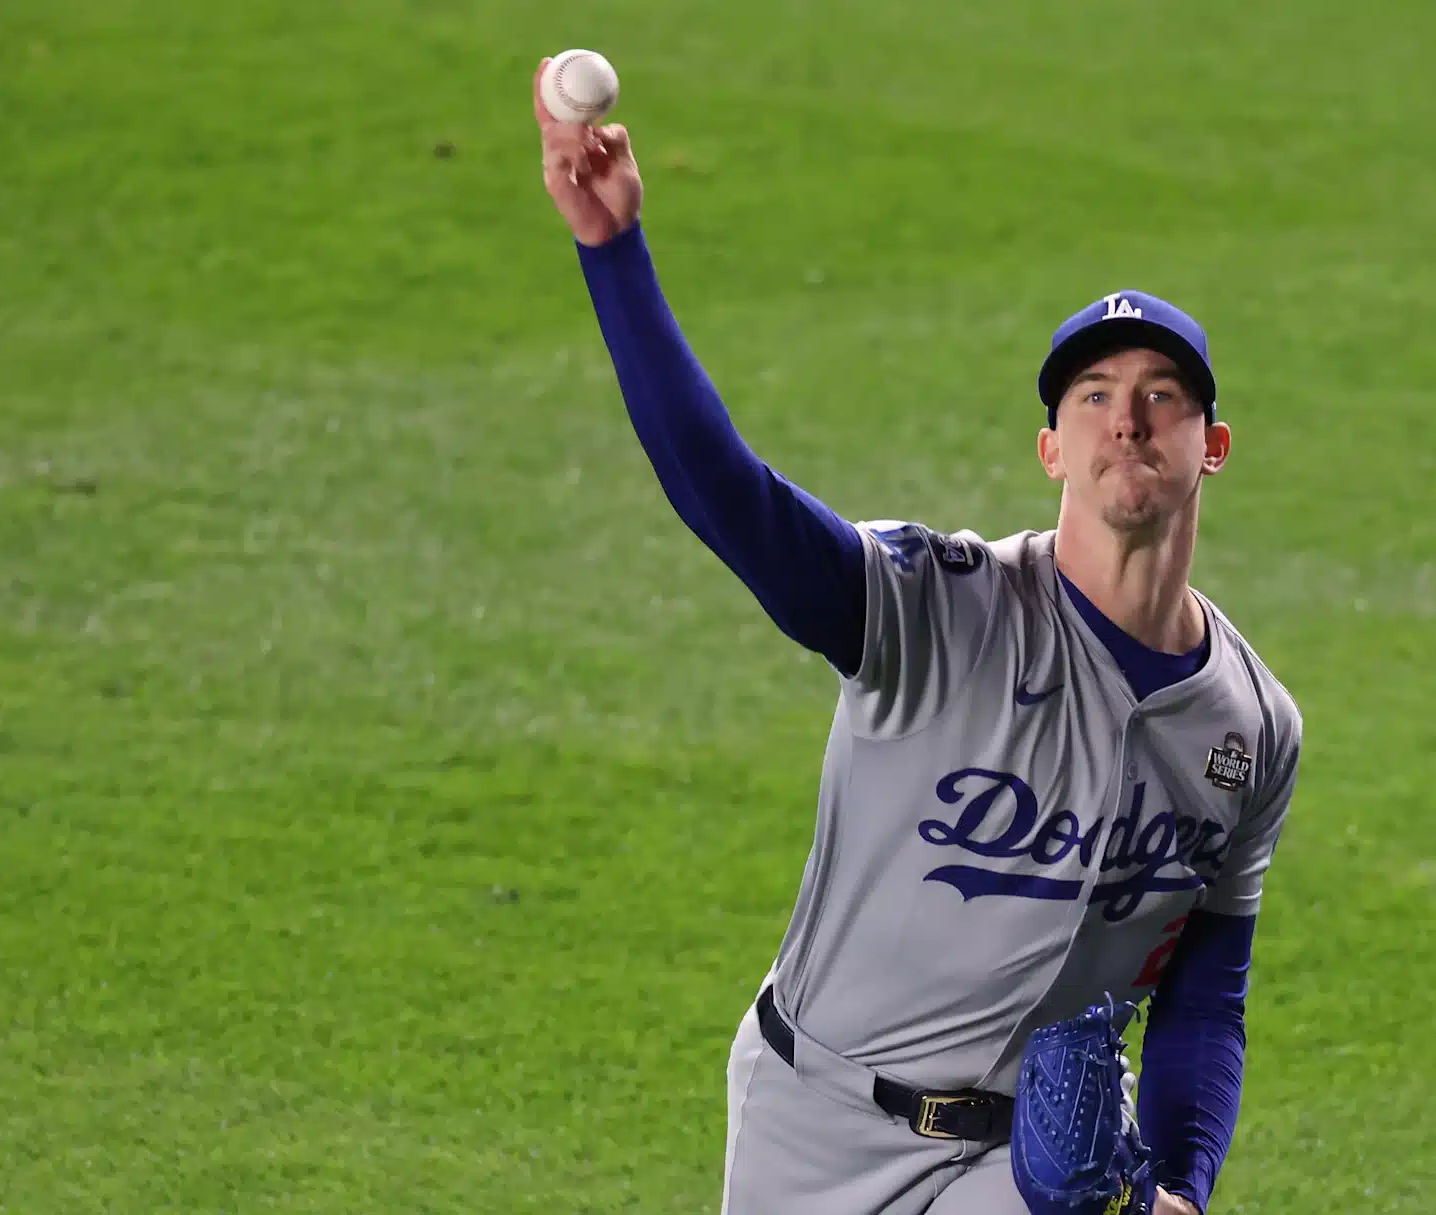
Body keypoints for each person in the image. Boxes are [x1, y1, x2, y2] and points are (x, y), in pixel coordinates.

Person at [532, 59, 1303, 1215]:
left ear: (1215, 444)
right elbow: (726, 495)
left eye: (1162, 394)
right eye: (1091, 394)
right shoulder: (936, 608)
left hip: (1028, 1179)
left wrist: (1184, 1186)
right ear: (1051, 450)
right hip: (815, 1123)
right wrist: (614, 254)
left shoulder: (1250, 729)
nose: (1127, 416)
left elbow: (1208, 987)